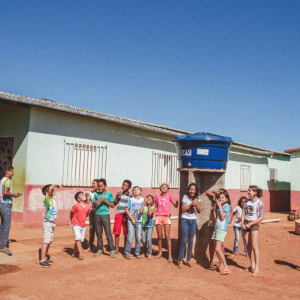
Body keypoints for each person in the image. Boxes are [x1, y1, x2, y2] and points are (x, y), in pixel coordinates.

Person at [241, 185, 264, 276]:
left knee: (254, 245)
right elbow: (243, 213)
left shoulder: (260, 203)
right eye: (248, 190)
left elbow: (261, 217)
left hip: (254, 224)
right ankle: (252, 264)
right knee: (248, 245)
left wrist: (250, 224)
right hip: (245, 223)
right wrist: (242, 224)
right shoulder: (247, 201)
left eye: (250, 191)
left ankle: (257, 268)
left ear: (255, 192)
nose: (248, 192)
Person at [178, 183, 201, 269]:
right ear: (188, 190)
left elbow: (199, 211)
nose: (192, 191)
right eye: (191, 189)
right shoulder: (185, 197)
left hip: (193, 220)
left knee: (191, 241)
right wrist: (191, 204)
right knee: (184, 240)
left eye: (194, 190)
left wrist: (196, 204)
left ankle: (188, 260)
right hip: (185, 220)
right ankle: (180, 260)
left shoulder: (198, 198)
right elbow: (183, 210)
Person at [154, 183, 179, 263]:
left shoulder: (170, 196)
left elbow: (175, 205)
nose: (164, 188)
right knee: (159, 236)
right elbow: (155, 207)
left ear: (168, 189)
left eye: (165, 187)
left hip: (166, 217)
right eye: (162, 187)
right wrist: (151, 212)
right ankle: (160, 252)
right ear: (160, 189)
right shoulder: (157, 196)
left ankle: (170, 255)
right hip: (158, 217)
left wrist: (177, 202)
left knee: (167, 236)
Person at [0, 166, 21, 256]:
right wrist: (14, 195)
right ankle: (4, 246)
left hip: (1, 204)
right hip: (6, 205)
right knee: (6, 226)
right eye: (12, 171)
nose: (13, 173)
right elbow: (5, 192)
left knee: (2, 225)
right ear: (7, 172)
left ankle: (2, 243)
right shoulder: (8, 180)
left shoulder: (2, 180)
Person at [93, 178, 116, 258]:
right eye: (99, 186)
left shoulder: (109, 194)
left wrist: (104, 201)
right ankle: (100, 249)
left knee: (108, 233)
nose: (100, 188)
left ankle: (112, 250)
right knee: (99, 234)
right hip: (97, 215)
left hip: (105, 215)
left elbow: (113, 205)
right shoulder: (96, 194)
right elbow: (93, 205)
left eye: (101, 186)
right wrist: (95, 203)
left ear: (105, 186)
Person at [205, 188, 228, 267]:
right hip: (212, 225)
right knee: (211, 244)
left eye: (222, 195)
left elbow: (222, 216)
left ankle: (222, 262)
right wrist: (215, 192)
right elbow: (207, 192)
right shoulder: (214, 201)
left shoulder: (224, 205)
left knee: (221, 246)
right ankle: (211, 260)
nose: (220, 196)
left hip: (219, 228)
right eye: (219, 195)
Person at [39, 184, 60, 267]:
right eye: (52, 190)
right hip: (48, 223)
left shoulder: (51, 199)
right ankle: (42, 260)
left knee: (49, 241)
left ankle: (45, 258)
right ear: (48, 192)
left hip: (51, 223)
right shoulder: (47, 198)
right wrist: (54, 185)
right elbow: (50, 188)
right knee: (46, 241)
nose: (53, 191)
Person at [212, 191, 231, 275]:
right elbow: (217, 218)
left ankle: (226, 267)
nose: (221, 199)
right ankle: (222, 265)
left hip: (221, 230)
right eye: (220, 197)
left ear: (226, 199)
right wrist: (214, 210)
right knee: (216, 248)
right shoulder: (221, 206)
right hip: (217, 229)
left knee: (217, 248)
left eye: (223, 197)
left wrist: (219, 206)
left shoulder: (226, 206)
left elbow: (223, 217)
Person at [123, 186, 144, 259]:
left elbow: (142, 211)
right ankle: (127, 252)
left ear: (141, 192)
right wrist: (132, 219)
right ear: (132, 192)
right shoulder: (130, 200)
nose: (136, 191)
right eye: (134, 190)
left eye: (137, 189)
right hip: (131, 221)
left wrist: (144, 203)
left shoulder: (143, 200)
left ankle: (137, 252)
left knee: (138, 238)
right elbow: (126, 210)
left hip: (139, 221)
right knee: (130, 236)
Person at [113, 180, 132, 254]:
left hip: (125, 215)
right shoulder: (119, 194)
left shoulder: (130, 196)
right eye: (123, 185)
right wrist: (117, 197)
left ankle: (125, 248)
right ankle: (116, 248)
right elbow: (114, 204)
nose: (123, 186)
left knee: (126, 232)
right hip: (118, 215)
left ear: (129, 187)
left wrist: (126, 216)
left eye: (126, 185)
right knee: (116, 232)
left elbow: (130, 207)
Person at [70, 191, 90, 260]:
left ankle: (74, 252)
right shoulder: (76, 206)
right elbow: (71, 213)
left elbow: (87, 214)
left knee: (80, 240)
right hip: (76, 224)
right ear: (78, 199)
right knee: (78, 238)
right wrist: (72, 221)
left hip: (83, 225)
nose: (83, 195)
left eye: (83, 194)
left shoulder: (87, 206)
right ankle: (80, 254)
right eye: (81, 195)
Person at [140, 195, 155, 259]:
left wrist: (149, 206)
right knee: (143, 240)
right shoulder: (143, 206)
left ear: (152, 201)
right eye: (147, 198)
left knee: (148, 240)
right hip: (143, 225)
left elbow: (149, 214)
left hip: (150, 225)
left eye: (150, 199)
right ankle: (144, 251)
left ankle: (149, 253)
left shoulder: (153, 207)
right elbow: (140, 212)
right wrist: (143, 204)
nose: (148, 199)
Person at [85, 179, 99, 252]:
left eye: (94, 183)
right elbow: (87, 202)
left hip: (99, 213)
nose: (92, 185)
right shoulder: (91, 193)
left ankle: (100, 247)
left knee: (99, 230)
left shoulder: (101, 193)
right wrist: (86, 197)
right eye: (92, 183)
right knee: (91, 229)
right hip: (92, 213)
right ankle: (90, 245)